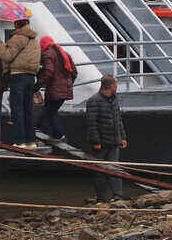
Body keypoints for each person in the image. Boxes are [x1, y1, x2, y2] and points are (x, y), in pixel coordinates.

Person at [0, 16, 41, 147]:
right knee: (28, 109)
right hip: (31, 76)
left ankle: (19, 141)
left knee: (17, 109)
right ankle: (30, 141)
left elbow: (7, 56)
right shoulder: (34, 40)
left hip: (18, 76)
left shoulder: (18, 38)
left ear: (16, 24)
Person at [84, 74, 128, 202]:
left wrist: (122, 137)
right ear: (109, 86)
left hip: (114, 141)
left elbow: (118, 120)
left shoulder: (114, 99)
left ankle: (117, 196)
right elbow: (91, 124)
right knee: (99, 171)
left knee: (115, 169)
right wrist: (96, 142)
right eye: (115, 84)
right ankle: (101, 198)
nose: (117, 87)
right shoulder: (94, 101)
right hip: (102, 143)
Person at [37, 35, 77, 142]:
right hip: (65, 90)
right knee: (51, 111)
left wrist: (38, 84)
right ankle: (54, 134)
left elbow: (48, 72)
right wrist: (68, 84)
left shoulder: (48, 54)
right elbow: (74, 72)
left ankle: (59, 135)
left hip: (55, 90)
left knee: (50, 112)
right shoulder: (64, 53)